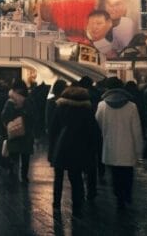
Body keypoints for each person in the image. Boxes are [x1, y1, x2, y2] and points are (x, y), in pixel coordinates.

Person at [47, 86, 100, 217]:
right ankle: (77, 204)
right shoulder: (86, 111)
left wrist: (51, 150)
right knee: (76, 177)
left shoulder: (59, 109)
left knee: (58, 177)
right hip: (79, 149)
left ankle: (56, 204)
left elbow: (53, 130)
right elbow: (94, 132)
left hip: (61, 148)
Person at [95, 77, 142, 210]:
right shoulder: (132, 106)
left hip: (110, 145)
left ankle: (118, 197)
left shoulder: (102, 105)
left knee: (114, 174)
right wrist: (139, 150)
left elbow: (97, 124)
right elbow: (137, 130)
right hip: (128, 146)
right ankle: (127, 194)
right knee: (127, 172)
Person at [1, 79, 33, 183]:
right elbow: (34, 115)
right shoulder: (29, 100)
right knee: (25, 156)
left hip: (14, 132)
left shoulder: (10, 101)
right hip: (27, 133)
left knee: (14, 154)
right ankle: (24, 176)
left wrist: (9, 123)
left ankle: (12, 173)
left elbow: (4, 116)